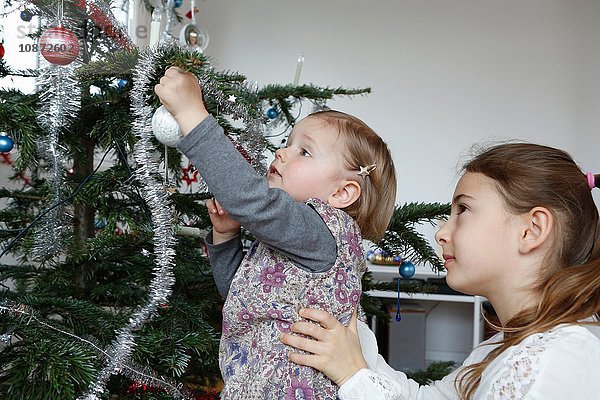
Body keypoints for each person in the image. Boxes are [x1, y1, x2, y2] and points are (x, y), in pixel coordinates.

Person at [281, 143, 600, 399]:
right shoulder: (501, 346)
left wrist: (354, 377)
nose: (441, 233)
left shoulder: (553, 363)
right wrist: (349, 346)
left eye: (464, 209)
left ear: (532, 230)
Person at [154, 67, 397, 399]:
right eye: (287, 143)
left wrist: (190, 113)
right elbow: (240, 294)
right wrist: (226, 237)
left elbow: (250, 199)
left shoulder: (322, 231)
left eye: (304, 151)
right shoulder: (294, 238)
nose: (282, 153)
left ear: (342, 194)